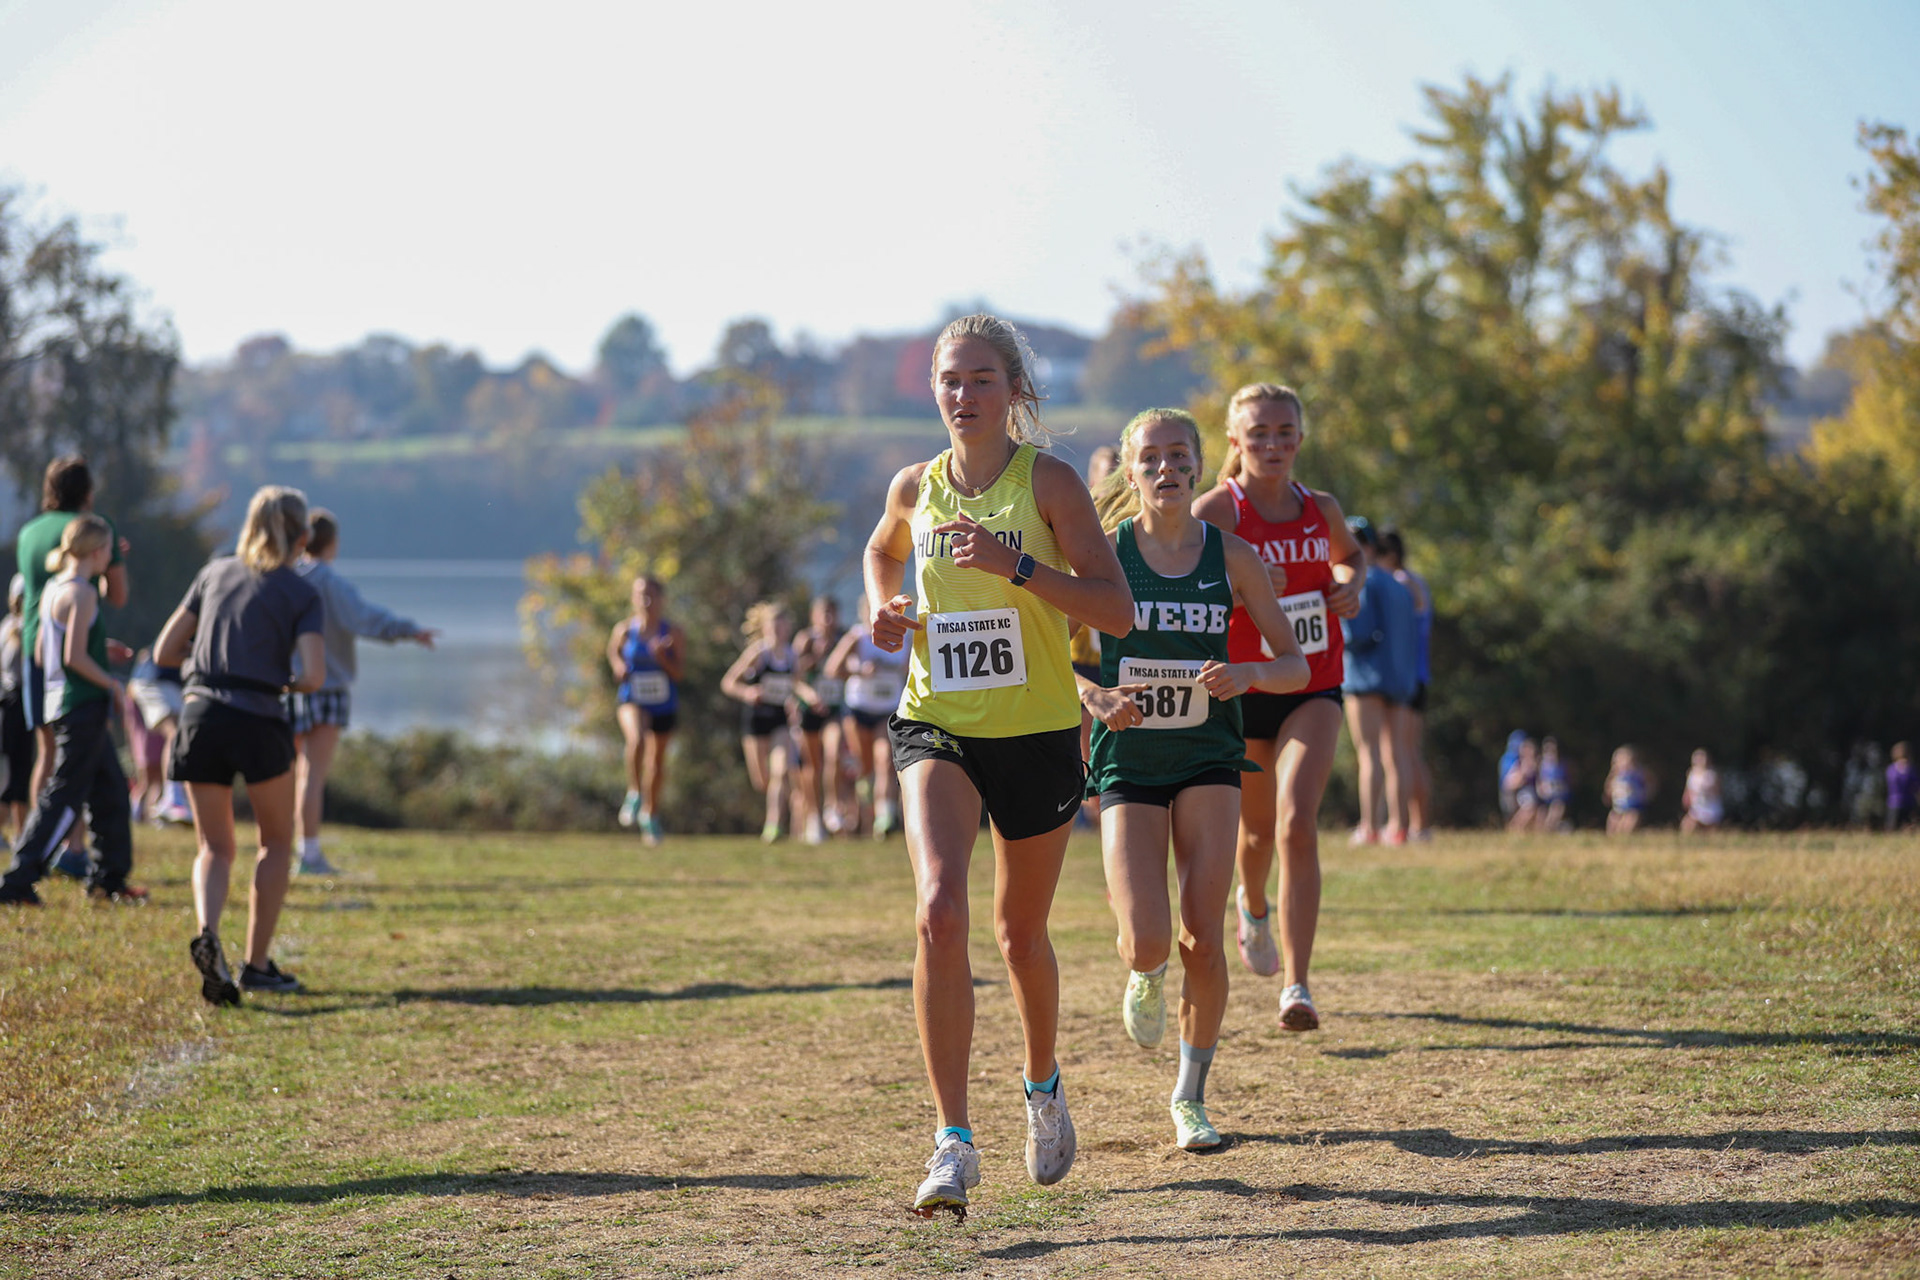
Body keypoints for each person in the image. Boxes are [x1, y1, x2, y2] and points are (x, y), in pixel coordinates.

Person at [864, 314, 1132, 1220]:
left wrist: (1019, 568)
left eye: (981, 379)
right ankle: (951, 1140)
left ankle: (1043, 1084)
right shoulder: (916, 484)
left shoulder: (1048, 483)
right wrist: (884, 609)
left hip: (1039, 730)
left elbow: (1117, 610)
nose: (962, 395)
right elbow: (880, 549)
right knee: (939, 908)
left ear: (1015, 390)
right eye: (949, 380)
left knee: (1020, 935)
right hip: (935, 718)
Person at [1081, 408, 1308, 1151]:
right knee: (1148, 940)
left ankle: (1190, 1096)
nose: (1166, 469)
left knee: (1202, 939)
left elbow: (1295, 664)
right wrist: (1098, 696)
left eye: (1180, 456)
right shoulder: (1105, 555)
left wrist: (1246, 672)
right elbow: (1058, 655)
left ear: (1199, 464)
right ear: (1131, 470)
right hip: (1130, 763)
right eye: (1151, 458)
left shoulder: (1232, 557)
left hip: (1209, 756)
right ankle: (1143, 973)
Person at [1193, 383, 1363, 1036]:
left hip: (1311, 682)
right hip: (1241, 690)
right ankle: (1254, 905)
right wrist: (1249, 593)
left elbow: (1349, 558)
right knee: (1256, 835)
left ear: (1300, 439)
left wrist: (1350, 588)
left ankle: (1297, 984)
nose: (1272, 444)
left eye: (1284, 433)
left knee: (1296, 821)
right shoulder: (1219, 510)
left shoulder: (1320, 508)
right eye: (1258, 433)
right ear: (1235, 442)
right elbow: (1178, 580)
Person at [156, 486, 325, 1004]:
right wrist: (280, 681)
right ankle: (256, 965)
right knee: (274, 843)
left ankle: (209, 933)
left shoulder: (213, 573)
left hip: (201, 712)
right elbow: (314, 675)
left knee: (214, 847)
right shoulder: (301, 592)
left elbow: (164, 651)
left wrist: (205, 668)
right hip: (258, 718)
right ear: (302, 538)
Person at [0, 517, 144, 905]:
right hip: (82, 706)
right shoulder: (82, 593)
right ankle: (18, 879)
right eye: (109, 549)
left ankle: (108, 879)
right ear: (98, 551)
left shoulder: (52, 588)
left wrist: (101, 649)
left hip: (61, 702)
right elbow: (73, 656)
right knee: (63, 797)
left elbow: (46, 649)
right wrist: (111, 681)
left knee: (111, 790)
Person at [285, 509, 438, 876]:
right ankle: (309, 854)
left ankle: (283, 847)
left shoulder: (286, 580)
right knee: (313, 777)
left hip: (288, 688)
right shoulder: (332, 585)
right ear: (332, 543)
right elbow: (366, 619)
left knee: (286, 776)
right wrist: (409, 630)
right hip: (329, 687)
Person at [15, 457, 129, 810]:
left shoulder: (28, 532)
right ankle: (76, 846)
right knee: (81, 750)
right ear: (88, 491)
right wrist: (115, 562)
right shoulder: (95, 526)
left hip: (35, 645)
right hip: (80, 656)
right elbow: (119, 597)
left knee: (47, 752)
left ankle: (32, 837)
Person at [1340, 517, 1418, 845]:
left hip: (1365, 676)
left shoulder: (1365, 582)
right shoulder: (1399, 586)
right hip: (1399, 678)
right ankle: (1399, 827)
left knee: (1368, 753)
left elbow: (1355, 632)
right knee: (1397, 753)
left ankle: (1369, 827)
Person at [607, 575, 684, 844]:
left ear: (661, 599)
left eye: (651, 595)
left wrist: (662, 657)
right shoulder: (625, 630)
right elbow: (613, 651)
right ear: (633, 598)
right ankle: (634, 792)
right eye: (640, 594)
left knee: (656, 763)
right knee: (636, 739)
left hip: (663, 703)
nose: (646, 600)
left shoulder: (672, 633)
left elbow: (678, 674)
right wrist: (618, 665)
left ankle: (651, 816)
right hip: (633, 699)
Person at [1069, 444, 1121, 827]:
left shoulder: (1139, 531)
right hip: (1080, 657)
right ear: (1092, 481)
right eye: (1109, 474)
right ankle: (1094, 819)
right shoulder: (1074, 525)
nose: (1116, 482)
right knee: (1087, 754)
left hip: (1122, 660)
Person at [827, 594, 908, 838]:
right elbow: (832, 669)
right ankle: (860, 811)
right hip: (859, 708)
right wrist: (858, 671)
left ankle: (884, 816)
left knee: (885, 760)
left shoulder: (908, 636)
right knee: (864, 767)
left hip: (887, 708)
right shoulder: (857, 636)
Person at [720, 601, 802, 843]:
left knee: (780, 771)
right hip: (755, 719)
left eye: (783, 627)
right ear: (766, 628)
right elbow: (728, 682)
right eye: (774, 626)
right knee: (762, 781)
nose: (778, 631)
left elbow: (795, 686)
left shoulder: (791, 655)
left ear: (788, 629)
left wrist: (795, 704)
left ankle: (773, 826)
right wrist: (747, 693)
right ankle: (780, 808)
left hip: (779, 719)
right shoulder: (758, 652)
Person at [1377, 528, 1433, 839]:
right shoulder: (1416, 582)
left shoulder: (1400, 584)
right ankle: (1419, 824)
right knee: (1410, 751)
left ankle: (1416, 825)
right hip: (1417, 675)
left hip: (1407, 676)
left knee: (1402, 753)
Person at [791, 595, 844, 845]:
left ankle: (833, 805)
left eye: (832, 613)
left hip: (833, 709)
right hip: (808, 710)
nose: (828, 619)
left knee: (834, 753)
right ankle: (814, 817)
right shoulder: (805, 640)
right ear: (814, 616)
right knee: (812, 767)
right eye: (824, 613)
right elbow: (794, 678)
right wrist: (811, 696)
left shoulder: (841, 640)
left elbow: (847, 672)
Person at [125, 648, 192, 825]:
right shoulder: (196, 620)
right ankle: (173, 800)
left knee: (153, 773)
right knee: (175, 733)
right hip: (154, 681)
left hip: (165, 686)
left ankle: (164, 808)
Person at [1, 575, 32, 840]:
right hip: (15, 705)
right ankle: (15, 833)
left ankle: (21, 833)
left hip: (14, 705)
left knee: (16, 773)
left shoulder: (8, 626)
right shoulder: (18, 628)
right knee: (14, 773)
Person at [1605, 745, 1649, 835]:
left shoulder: (1637, 774)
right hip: (1618, 806)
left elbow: (1648, 783)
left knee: (1629, 821)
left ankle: (1626, 837)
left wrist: (1645, 795)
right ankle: (1611, 838)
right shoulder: (1615, 776)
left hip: (1633, 807)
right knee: (1612, 820)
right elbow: (1609, 789)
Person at [1503, 736, 1541, 833]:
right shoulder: (1519, 764)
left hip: (1534, 793)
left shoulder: (1538, 763)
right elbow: (1509, 782)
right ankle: (1514, 829)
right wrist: (1523, 774)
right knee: (1529, 808)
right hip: (1522, 794)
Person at [1681, 749, 1724, 833]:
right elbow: (1688, 789)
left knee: (1711, 831)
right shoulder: (1691, 774)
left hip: (1710, 807)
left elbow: (1718, 792)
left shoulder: (1712, 775)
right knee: (1687, 826)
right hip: (1696, 807)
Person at [1536, 736, 1572, 833]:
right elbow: (1539, 782)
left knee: (1556, 809)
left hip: (1558, 797)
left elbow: (1567, 784)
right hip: (1544, 797)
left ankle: (1548, 831)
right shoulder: (1542, 765)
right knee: (1540, 814)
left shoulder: (1563, 765)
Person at [1888, 743, 1917, 832]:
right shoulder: (1894, 769)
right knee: (1895, 827)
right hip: (1898, 802)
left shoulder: (1891, 769)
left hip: (1903, 802)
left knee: (1907, 826)